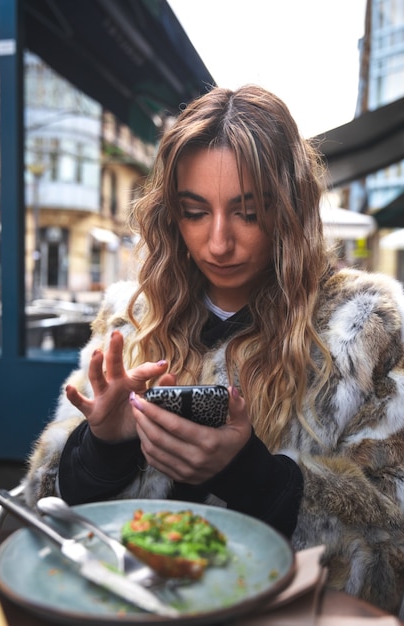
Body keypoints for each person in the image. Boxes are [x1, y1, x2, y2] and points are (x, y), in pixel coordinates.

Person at [24, 84, 404, 614]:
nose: (219, 242)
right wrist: (100, 450)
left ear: (290, 210)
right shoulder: (130, 318)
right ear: (170, 215)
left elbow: (392, 545)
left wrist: (260, 481)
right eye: (195, 211)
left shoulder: (365, 328)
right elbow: (40, 513)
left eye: (248, 212)